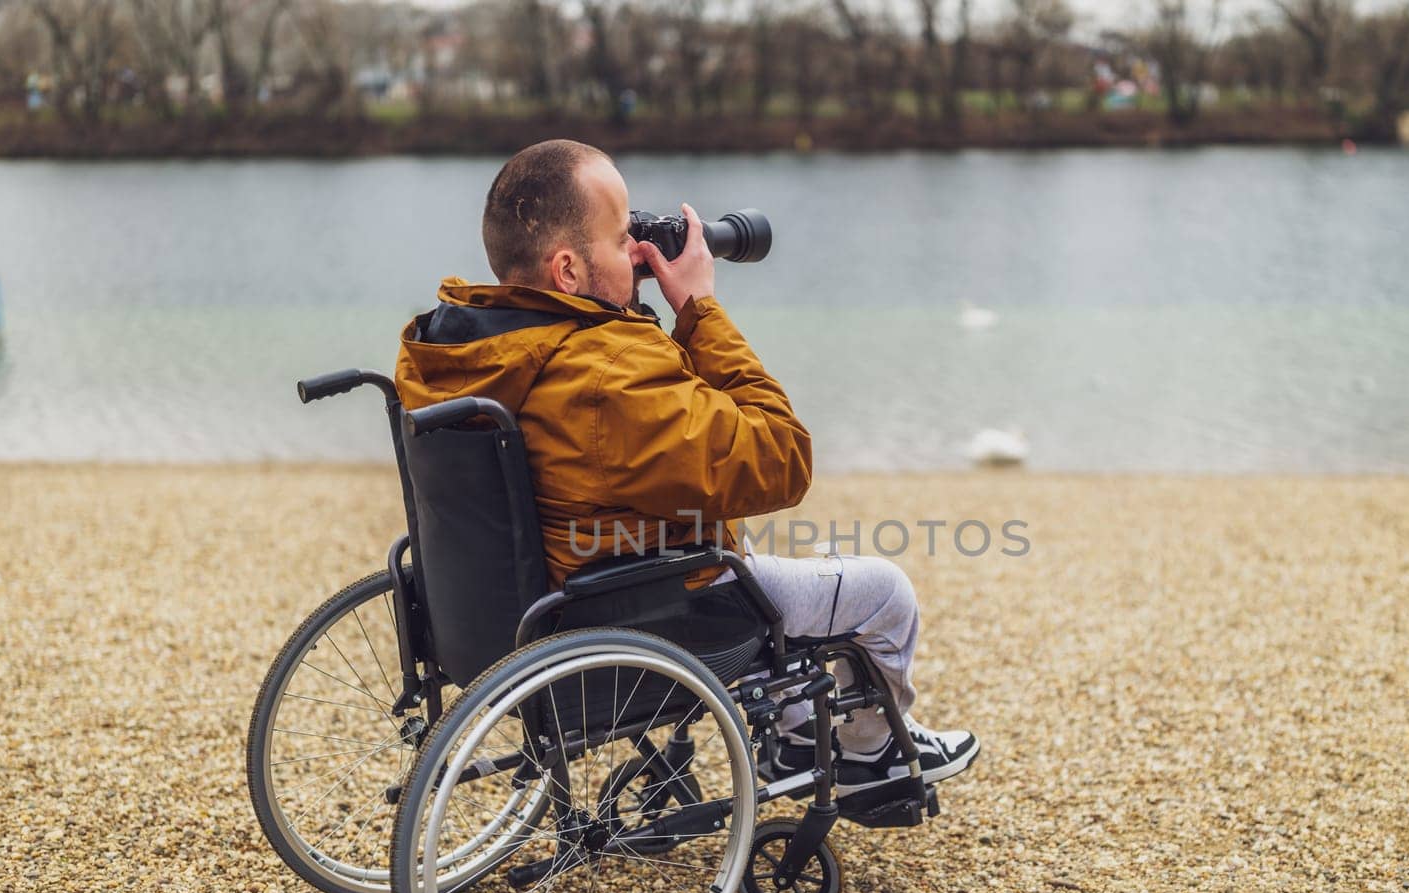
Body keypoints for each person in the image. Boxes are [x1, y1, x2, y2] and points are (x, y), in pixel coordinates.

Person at [393, 139, 977, 807]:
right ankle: (871, 753)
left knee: (743, 539)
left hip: (513, 615)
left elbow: (656, 433)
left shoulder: (467, 347)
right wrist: (699, 308)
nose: (640, 252)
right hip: (647, 617)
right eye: (622, 238)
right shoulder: (608, 374)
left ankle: (795, 731)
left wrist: (621, 306)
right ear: (566, 269)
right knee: (883, 591)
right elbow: (781, 459)